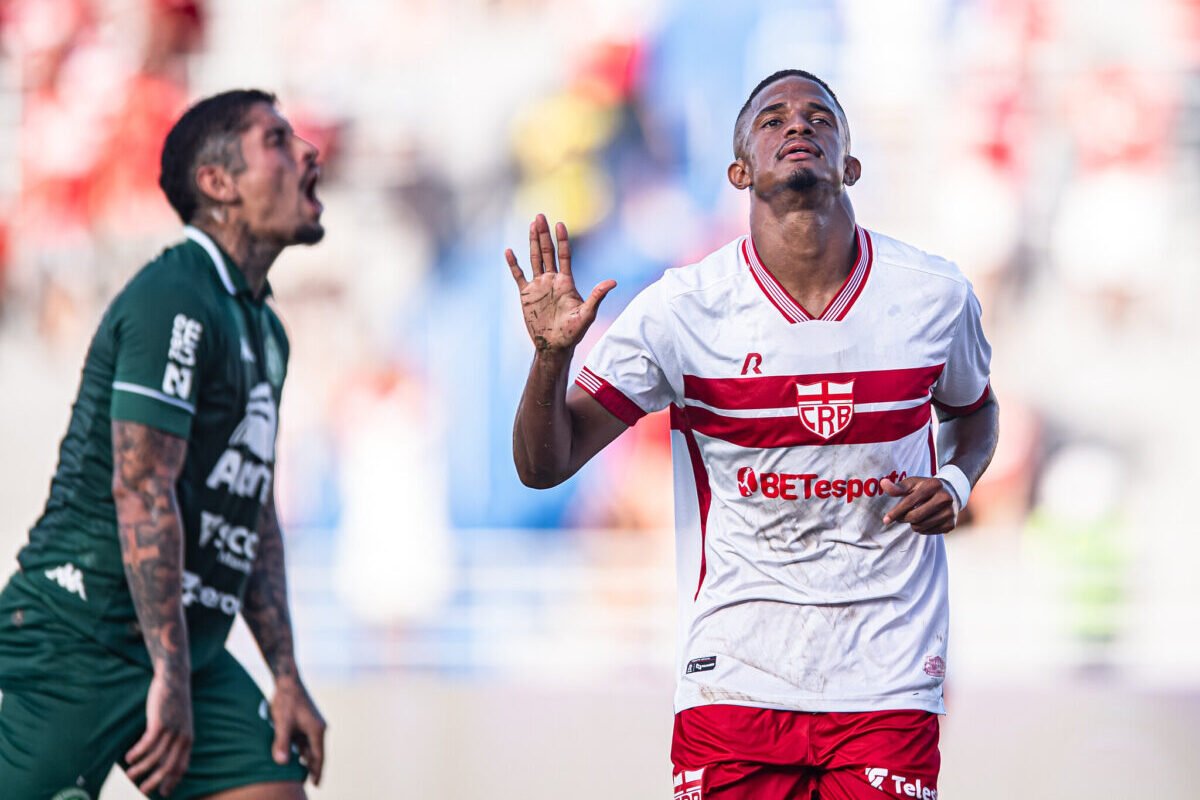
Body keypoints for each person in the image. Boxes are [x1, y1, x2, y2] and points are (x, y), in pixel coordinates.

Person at [506, 69, 999, 800]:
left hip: (887, 676)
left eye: (820, 118)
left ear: (851, 165)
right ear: (738, 171)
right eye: (772, 119)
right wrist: (551, 359)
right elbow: (544, 465)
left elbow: (977, 412)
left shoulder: (934, 295)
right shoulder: (682, 310)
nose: (798, 125)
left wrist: (956, 481)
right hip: (735, 680)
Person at [0, 89, 327, 800]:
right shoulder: (173, 296)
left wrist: (285, 673)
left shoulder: (265, 328)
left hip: (184, 647)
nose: (309, 152)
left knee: (272, 786)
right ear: (218, 184)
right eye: (276, 141)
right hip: (79, 638)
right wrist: (170, 679)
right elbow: (142, 487)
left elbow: (251, 505)